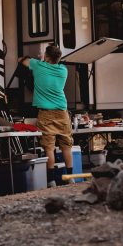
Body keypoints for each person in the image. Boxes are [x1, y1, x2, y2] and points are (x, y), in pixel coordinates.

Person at [18, 44, 72, 187]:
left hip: (46, 113)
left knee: (49, 147)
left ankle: (51, 180)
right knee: (66, 146)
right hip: (62, 111)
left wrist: (35, 59)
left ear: (46, 56)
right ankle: (71, 178)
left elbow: (21, 60)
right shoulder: (63, 70)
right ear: (59, 58)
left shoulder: (37, 66)